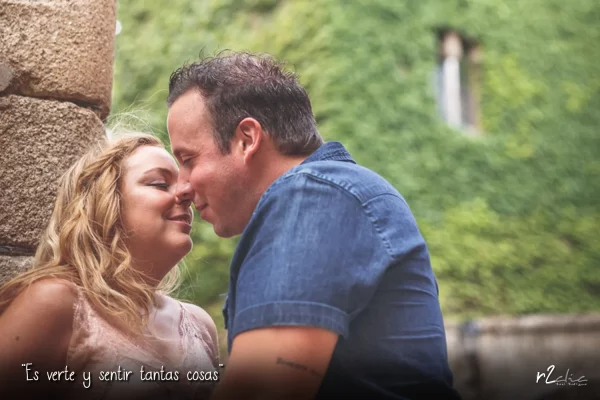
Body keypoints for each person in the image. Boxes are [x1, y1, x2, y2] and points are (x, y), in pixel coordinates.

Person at [166, 51, 461, 400]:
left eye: (188, 159)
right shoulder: (335, 194)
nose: (182, 187)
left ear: (246, 139)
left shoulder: (311, 195)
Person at [0, 133, 219, 400]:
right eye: (161, 184)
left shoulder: (201, 325)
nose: (187, 193)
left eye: (184, 185)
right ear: (106, 204)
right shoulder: (56, 302)